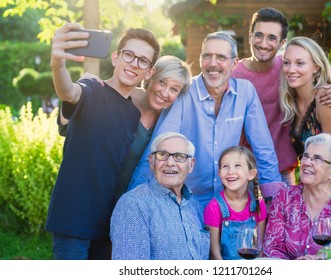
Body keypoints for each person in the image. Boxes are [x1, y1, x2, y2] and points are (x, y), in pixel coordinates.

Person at [129, 31, 285, 208]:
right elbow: (158, 148)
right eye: (207, 56)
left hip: (230, 202)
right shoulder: (185, 93)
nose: (213, 63)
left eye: (220, 57)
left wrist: (276, 202)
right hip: (188, 202)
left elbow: (263, 149)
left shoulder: (245, 92)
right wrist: (133, 202)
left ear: (234, 64)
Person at [46, 22, 160, 260]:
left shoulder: (133, 114)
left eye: (143, 61)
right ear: (116, 57)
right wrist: (57, 64)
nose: (134, 64)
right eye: (129, 55)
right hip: (72, 218)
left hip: (106, 224)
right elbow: (69, 91)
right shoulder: (92, 88)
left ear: (149, 71)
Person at [231, 7, 331, 186]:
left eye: (272, 37)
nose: (264, 43)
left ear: (282, 43)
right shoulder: (233, 75)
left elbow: (314, 80)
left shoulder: (286, 67)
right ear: (250, 36)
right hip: (243, 170)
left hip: (283, 170)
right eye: (259, 35)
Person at [57, 55, 192, 200]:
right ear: (150, 76)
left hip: (132, 203)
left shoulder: (167, 123)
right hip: (92, 195)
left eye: (174, 89)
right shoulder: (120, 96)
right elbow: (67, 128)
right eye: (161, 82)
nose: (165, 93)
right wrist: (82, 90)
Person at [280, 36, 331, 195]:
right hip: (313, 187)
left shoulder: (325, 98)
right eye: (286, 62)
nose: (291, 69)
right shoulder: (291, 101)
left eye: (300, 63)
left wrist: (328, 204)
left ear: (316, 67)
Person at [110, 132, 210, 260]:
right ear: (151, 162)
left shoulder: (195, 206)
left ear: (190, 165)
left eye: (179, 156)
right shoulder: (133, 204)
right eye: (162, 155)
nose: (170, 162)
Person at [204, 146, 267, 260]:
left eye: (237, 166)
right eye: (225, 166)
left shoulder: (258, 204)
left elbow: (259, 248)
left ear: (251, 174)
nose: (231, 171)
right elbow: (214, 253)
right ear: (219, 173)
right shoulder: (214, 207)